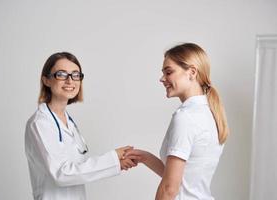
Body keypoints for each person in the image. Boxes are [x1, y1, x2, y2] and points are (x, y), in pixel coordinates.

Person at [25, 52, 136, 200]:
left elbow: (78, 170)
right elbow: (62, 174)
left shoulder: (68, 122)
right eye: (61, 74)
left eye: (75, 75)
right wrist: (113, 158)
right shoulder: (40, 123)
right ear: (46, 80)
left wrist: (117, 164)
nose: (70, 80)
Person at [125, 43, 229, 200]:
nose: (162, 79)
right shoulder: (210, 112)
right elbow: (182, 178)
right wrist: (144, 157)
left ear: (192, 72)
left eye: (169, 72)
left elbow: (169, 188)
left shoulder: (186, 117)